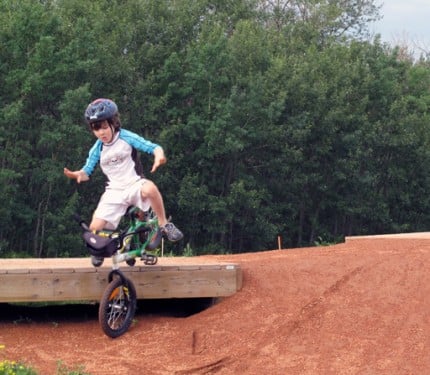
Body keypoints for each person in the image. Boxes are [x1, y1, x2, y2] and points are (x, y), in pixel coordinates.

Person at [64, 98, 183, 256]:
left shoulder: (126, 137)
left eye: (105, 127)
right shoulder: (97, 149)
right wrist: (79, 174)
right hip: (114, 191)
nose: (101, 133)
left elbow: (152, 147)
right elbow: (87, 171)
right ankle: (99, 252)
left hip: (134, 183)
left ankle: (164, 225)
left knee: (150, 188)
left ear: (114, 123)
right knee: (94, 229)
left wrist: (159, 155)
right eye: (96, 129)